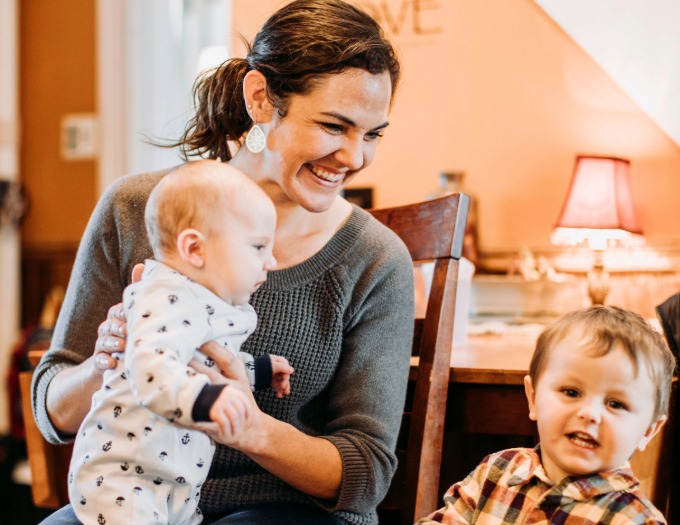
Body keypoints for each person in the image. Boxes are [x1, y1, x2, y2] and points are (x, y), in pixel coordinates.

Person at [31, 1, 414, 524]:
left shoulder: (375, 259)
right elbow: (52, 412)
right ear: (260, 98)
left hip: (285, 511)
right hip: (130, 500)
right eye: (333, 126)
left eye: (371, 135)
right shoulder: (138, 210)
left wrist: (247, 425)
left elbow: (365, 474)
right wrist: (106, 365)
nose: (354, 157)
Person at [67, 160, 294, 524]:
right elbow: (150, 368)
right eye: (257, 247)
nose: (271, 260)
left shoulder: (202, 299)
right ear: (194, 249)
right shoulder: (165, 295)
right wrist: (205, 400)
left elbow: (202, 366)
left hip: (175, 481)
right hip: (124, 480)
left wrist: (260, 370)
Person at [417, 305, 675, 525]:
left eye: (616, 404)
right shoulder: (497, 471)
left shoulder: (634, 519)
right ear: (533, 398)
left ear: (648, 431)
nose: (589, 413)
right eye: (571, 392)